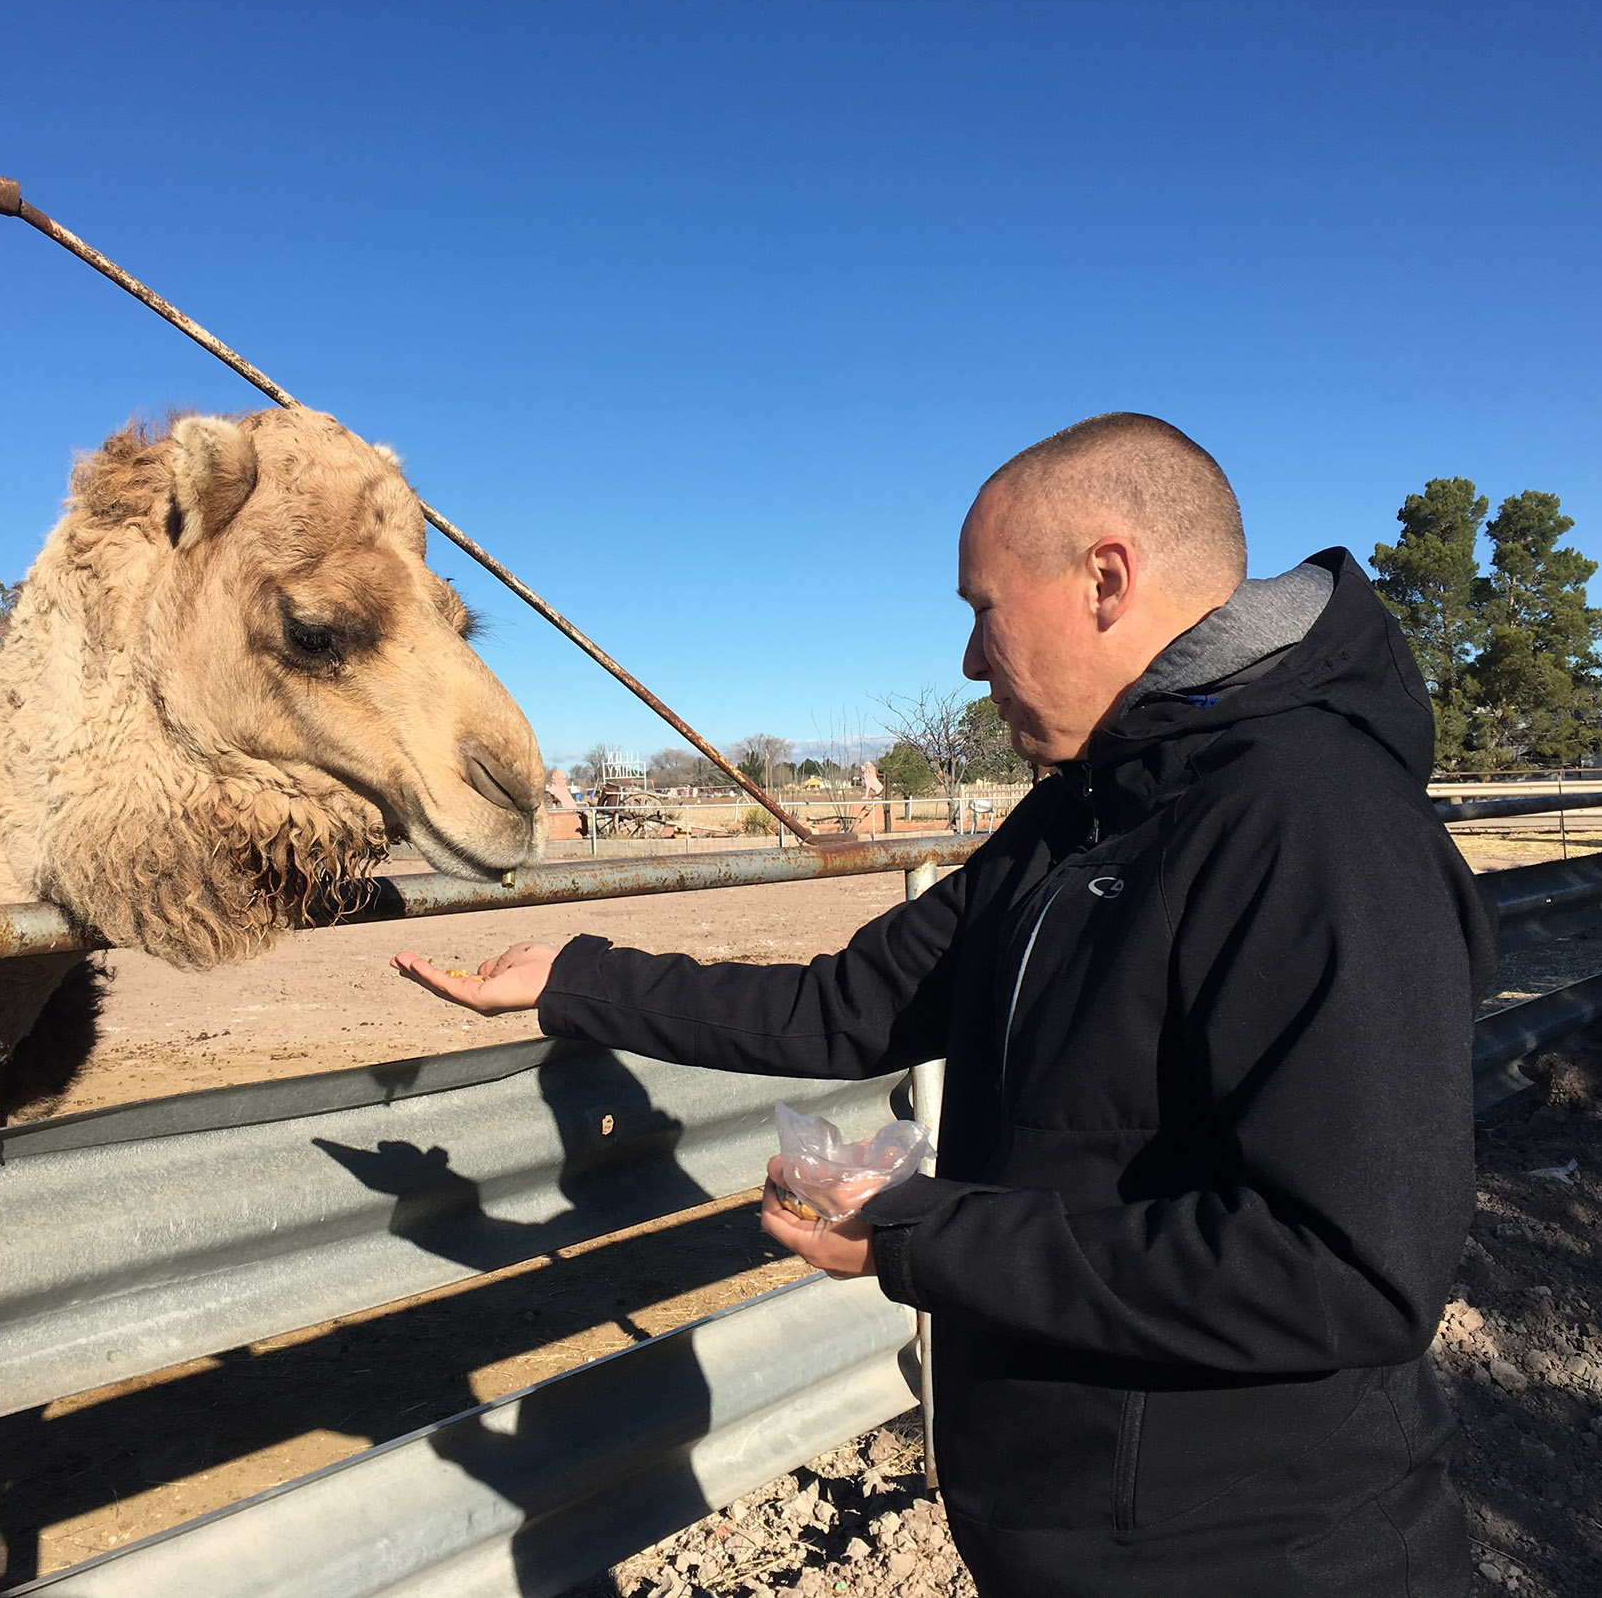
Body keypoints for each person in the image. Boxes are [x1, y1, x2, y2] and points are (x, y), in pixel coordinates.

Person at [392, 412, 1493, 1597]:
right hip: (1071, 1535)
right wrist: (578, 977)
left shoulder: (1316, 828)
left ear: (1106, 579)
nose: (971, 661)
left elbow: (1347, 1271)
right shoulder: (1085, 811)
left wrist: (922, 1229)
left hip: (1260, 1558)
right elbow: (850, 1006)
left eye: (982, 608)